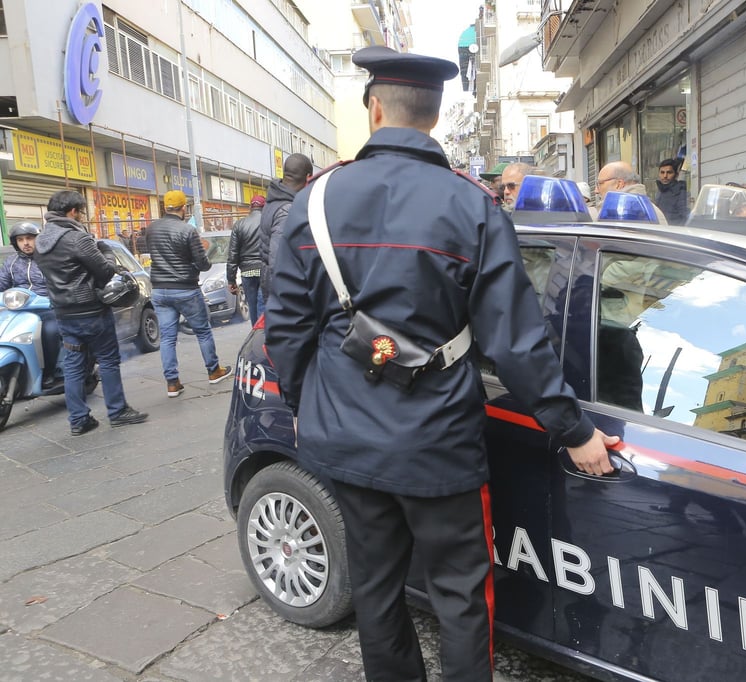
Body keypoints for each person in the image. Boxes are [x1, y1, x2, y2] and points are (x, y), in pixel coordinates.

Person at [264, 44, 616, 682]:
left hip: (345, 434)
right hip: (438, 442)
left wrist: (302, 406)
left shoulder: (313, 203)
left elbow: (286, 332)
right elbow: (515, 341)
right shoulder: (472, 205)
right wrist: (573, 429)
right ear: (433, 115)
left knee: (375, 587)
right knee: (460, 595)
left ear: (375, 110)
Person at [33, 190, 149, 436]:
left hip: (64, 313)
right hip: (91, 311)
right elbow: (105, 272)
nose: (83, 217)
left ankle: (78, 420)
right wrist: (106, 252)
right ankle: (117, 411)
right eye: (82, 212)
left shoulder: (41, 241)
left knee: (74, 366)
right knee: (107, 359)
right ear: (73, 211)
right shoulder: (77, 238)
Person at [146, 189, 231, 398]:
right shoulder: (188, 230)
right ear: (184, 208)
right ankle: (213, 371)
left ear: (165, 207)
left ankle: (172, 383)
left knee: (167, 337)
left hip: (159, 290)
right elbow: (202, 264)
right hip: (185, 289)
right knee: (203, 331)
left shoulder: (151, 229)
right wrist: (205, 255)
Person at [0, 221, 61, 388]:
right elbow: (2, 284)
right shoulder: (11, 262)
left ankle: (49, 373)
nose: (25, 243)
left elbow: (60, 283)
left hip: (46, 308)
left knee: (50, 331)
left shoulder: (50, 259)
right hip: (18, 310)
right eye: (20, 240)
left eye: (29, 238)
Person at [260, 152, 313, 299]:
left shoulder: (273, 201)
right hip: (283, 290)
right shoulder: (287, 209)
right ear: (308, 178)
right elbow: (278, 259)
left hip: (269, 282)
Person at [227, 195, 265, 326]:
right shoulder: (269, 222)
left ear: (250, 207)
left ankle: (256, 332)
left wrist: (231, 280)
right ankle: (264, 334)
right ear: (264, 207)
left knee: (252, 306)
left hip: (247, 272)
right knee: (263, 304)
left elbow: (233, 254)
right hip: (265, 270)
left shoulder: (239, 224)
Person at [595, 160, 668, 224]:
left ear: (619, 184)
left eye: (600, 183)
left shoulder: (615, 212)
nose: (596, 191)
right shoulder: (652, 210)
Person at [654, 158, 689, 225]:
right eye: (662, 172)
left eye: (669, 172)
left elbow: (684, 217)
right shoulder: (660, 190)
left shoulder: (681, 191)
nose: (665, 176)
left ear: (676, 175)